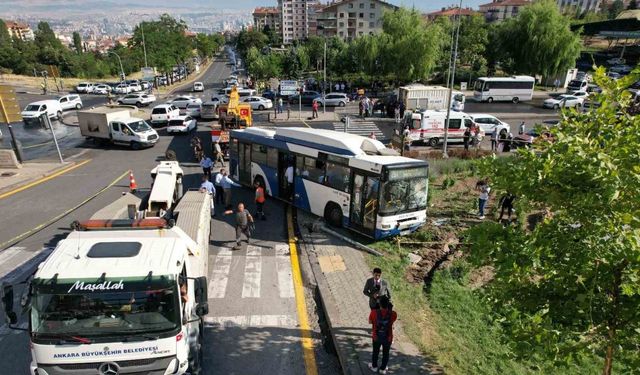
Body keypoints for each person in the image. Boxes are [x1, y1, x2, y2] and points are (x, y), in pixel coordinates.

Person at [368, 296, 397, 375]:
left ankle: (374, 367)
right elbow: (392, 321)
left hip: (376, 336)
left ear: (379, 304)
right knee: (386, 353)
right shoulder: (393, 314)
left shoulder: (373, 312)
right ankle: (383, 369)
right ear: (388, 304)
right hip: (388, 338)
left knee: (375, 352)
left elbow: (370, 322)